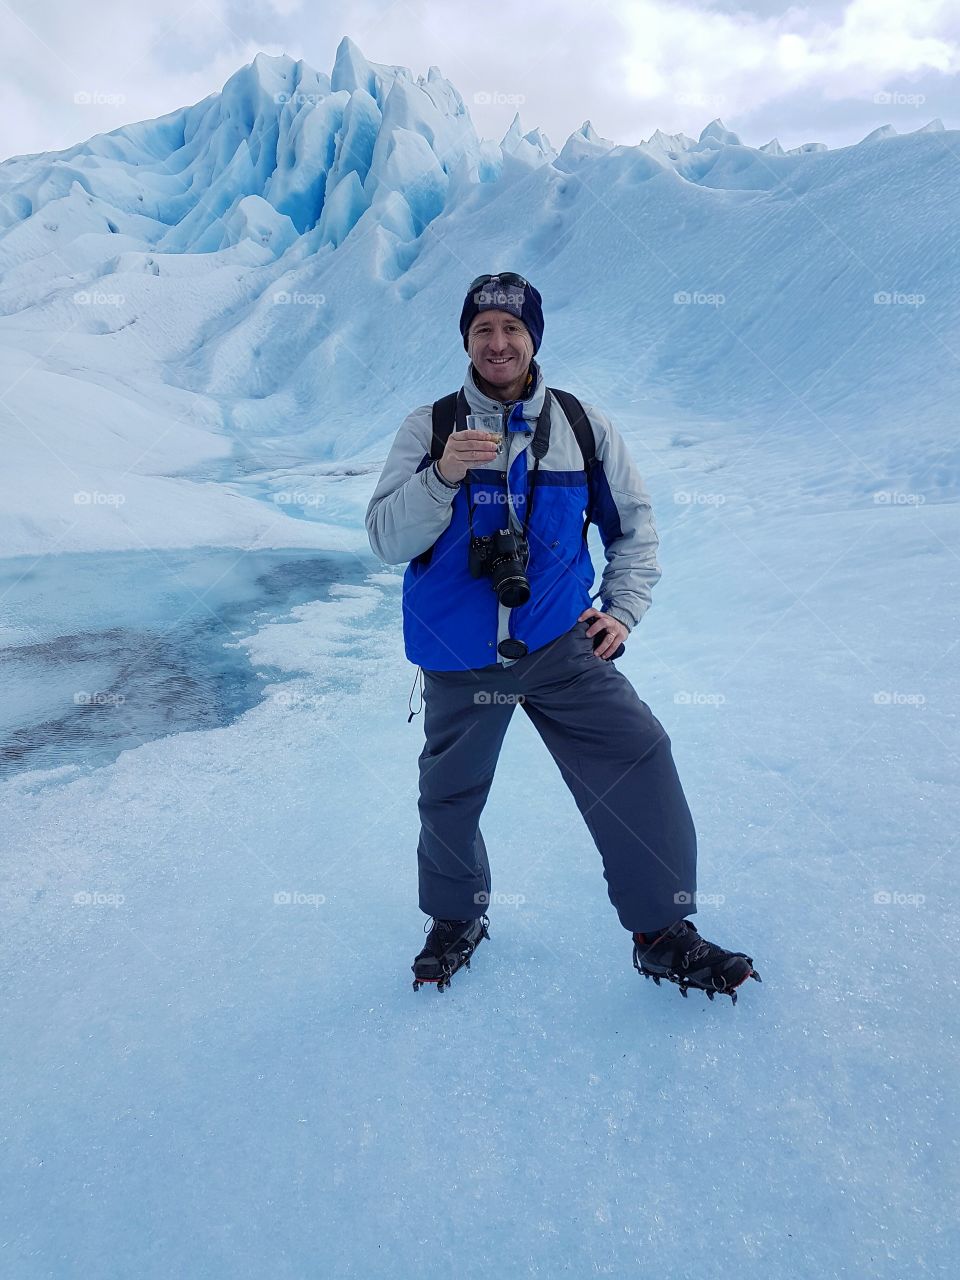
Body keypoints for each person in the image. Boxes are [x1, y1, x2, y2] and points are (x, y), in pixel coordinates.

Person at [365, 272, 760, 1004]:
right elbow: (385, 538)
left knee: (639, 754)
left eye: (512, 328)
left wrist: (623, 609)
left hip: (558, 646)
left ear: (534, 337)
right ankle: (457, 918)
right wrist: (444, 475)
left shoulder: (580, 425)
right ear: (466, 340)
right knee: (450, 796)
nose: (498, 342)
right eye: (482, 328)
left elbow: (634, 529)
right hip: (458, 656)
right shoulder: (430, 427)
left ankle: (661, 932)